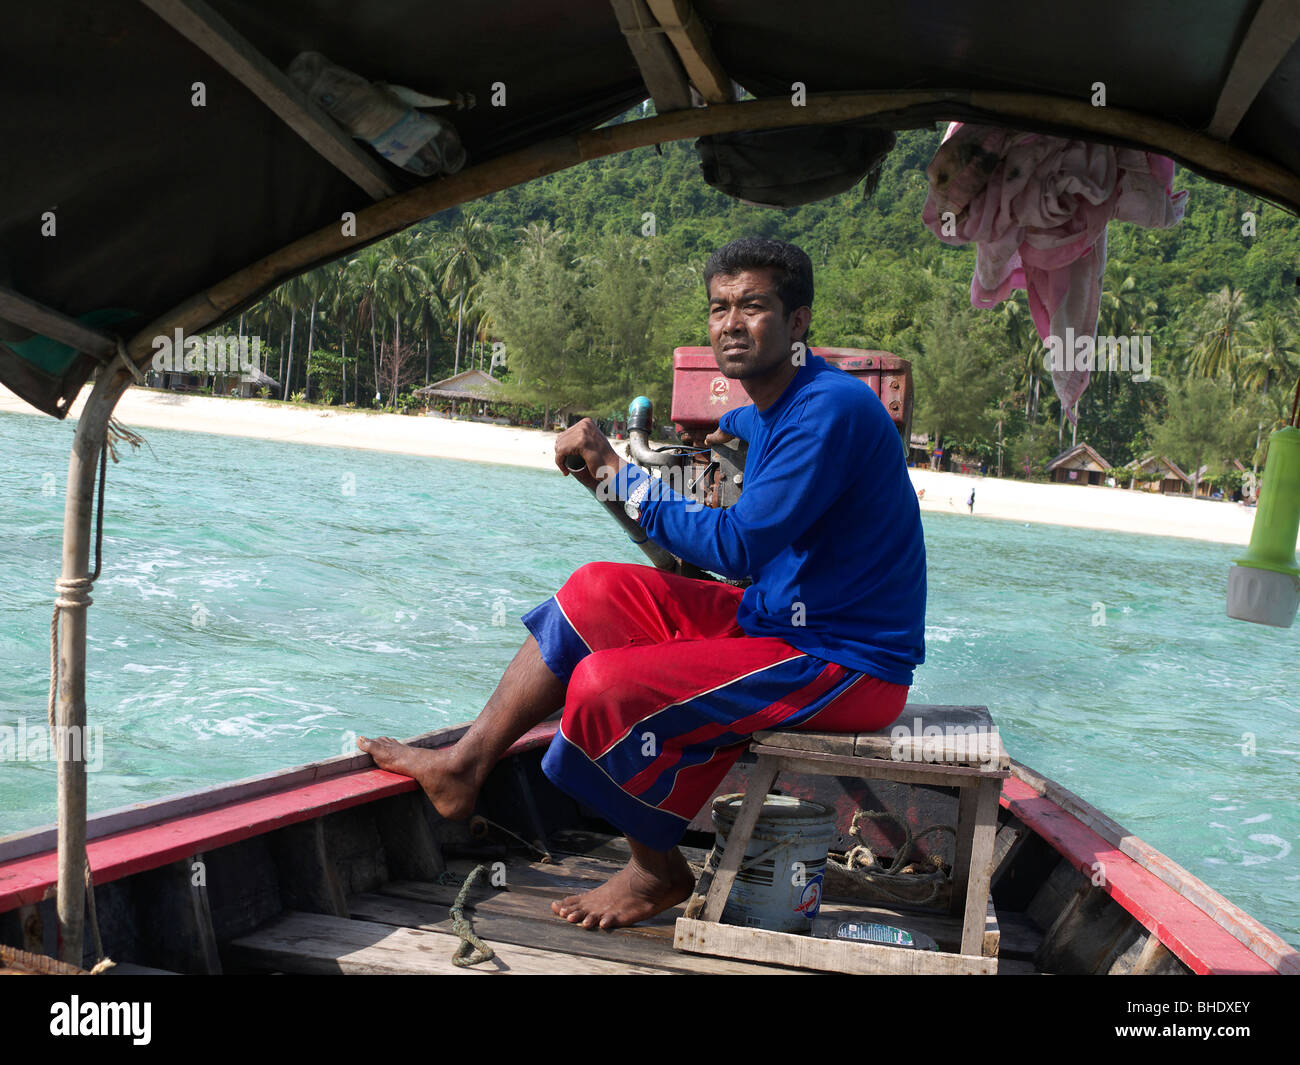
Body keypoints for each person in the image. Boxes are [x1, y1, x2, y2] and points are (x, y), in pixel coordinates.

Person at [358, 237, 927, 930]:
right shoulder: (782, 400)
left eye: (753, 305)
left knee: (606, 684)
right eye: (719, 307)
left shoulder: (828, 409)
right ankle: (464, 765)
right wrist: (735, 422)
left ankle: (656, 870)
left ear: (798, 321)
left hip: (847, 662)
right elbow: (757, 425)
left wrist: (616, 471)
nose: (731, 323)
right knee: (594, 590)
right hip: (775, 620)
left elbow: (740, 545)